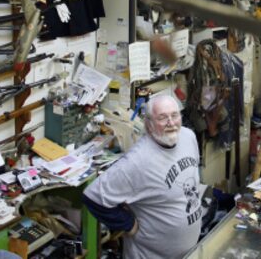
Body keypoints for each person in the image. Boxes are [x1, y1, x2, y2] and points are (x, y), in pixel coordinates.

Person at [82, 95, 202, 259]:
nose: (171, 123)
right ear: (149, 124)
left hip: (189, 252)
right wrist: (129, 224)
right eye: (162, 118)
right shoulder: (137, 161)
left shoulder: (188, 137)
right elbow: (93, 197)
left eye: (174, 115)